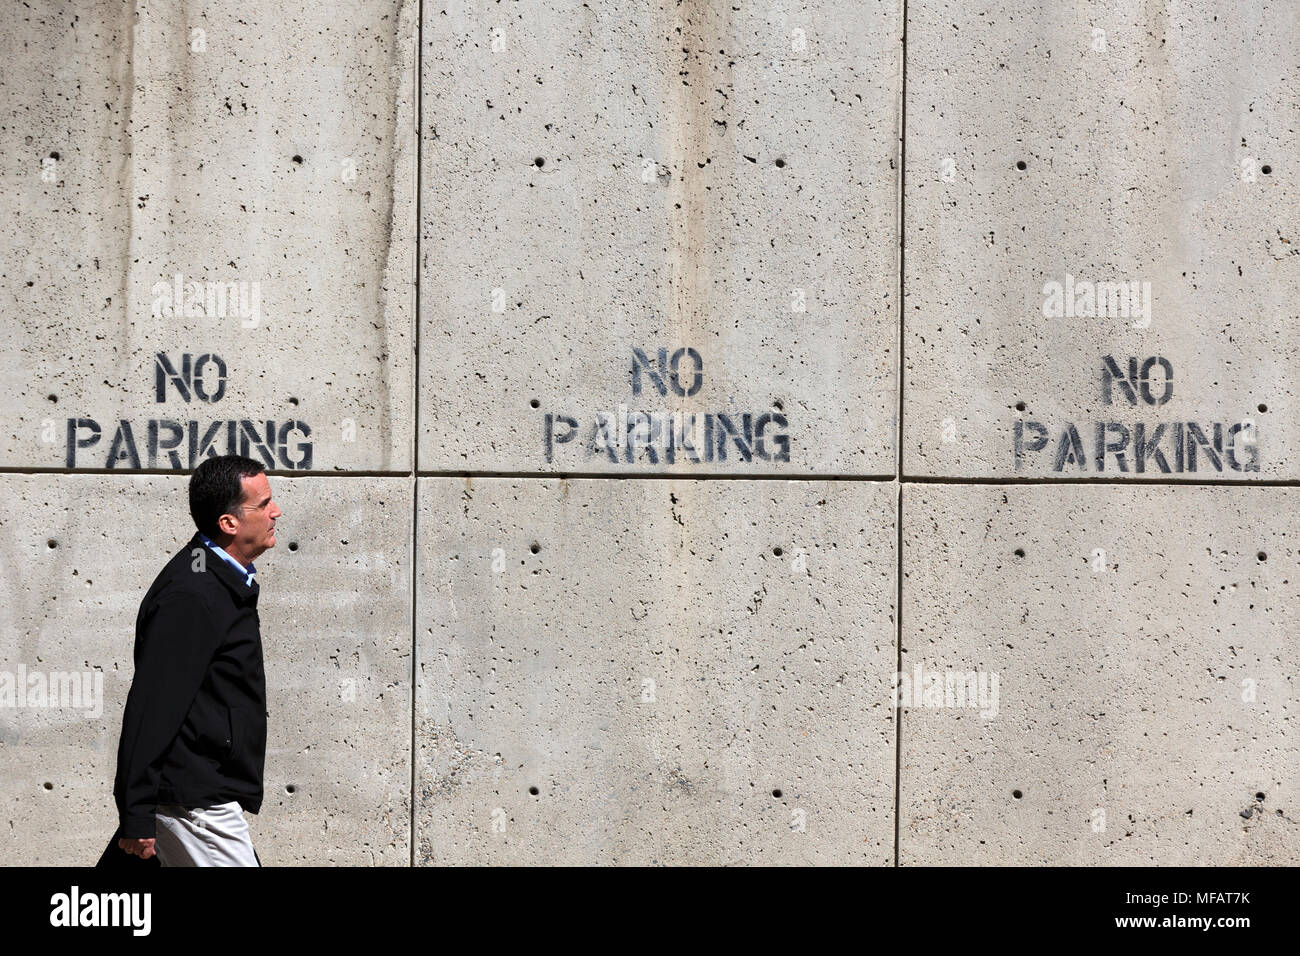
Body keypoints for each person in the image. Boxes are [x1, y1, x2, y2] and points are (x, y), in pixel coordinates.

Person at [110, 454, 281, 866]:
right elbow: (153, 708)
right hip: (195, 803)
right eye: (263, 504)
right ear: (229, 524)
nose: (276, 511)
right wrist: (136, 813)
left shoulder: (217, 582)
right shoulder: (193, 596)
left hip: (199, 795)